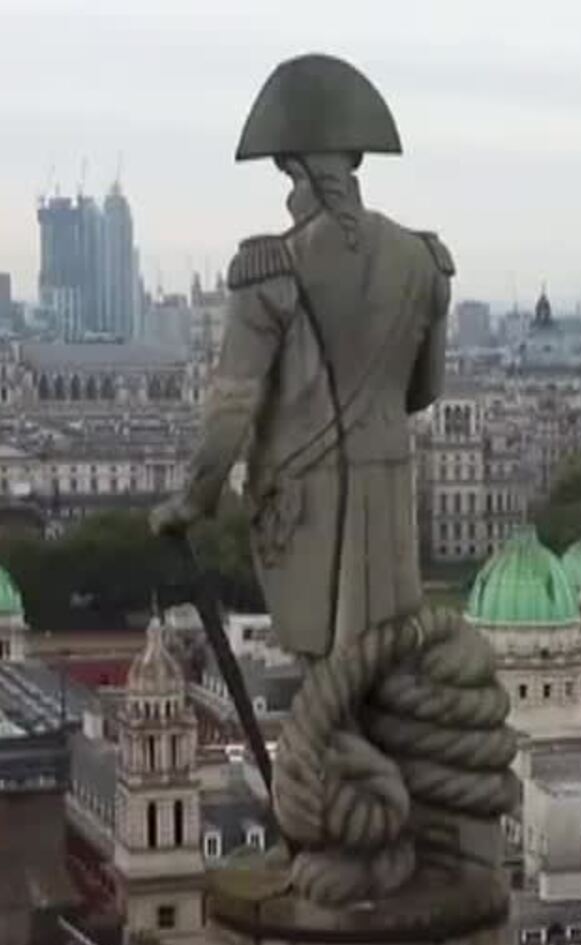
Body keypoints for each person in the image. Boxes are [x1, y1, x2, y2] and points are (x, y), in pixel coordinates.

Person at [152, 54, 452, 660]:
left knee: (324, 665)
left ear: (296, 168)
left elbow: (233, 404)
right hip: (391, 484)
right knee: (383, 666)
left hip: (303, 498)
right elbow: (424, 390)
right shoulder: (424, 260)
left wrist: (194, 500)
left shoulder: (271, 267)